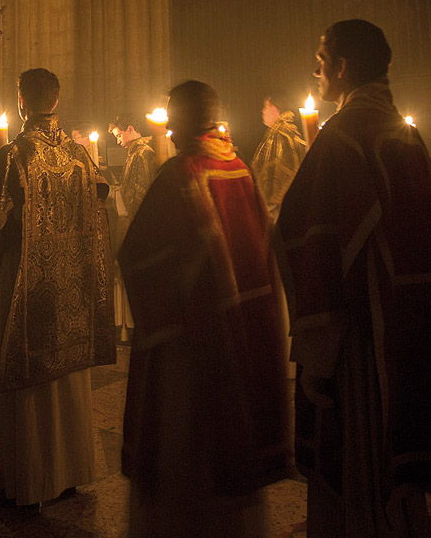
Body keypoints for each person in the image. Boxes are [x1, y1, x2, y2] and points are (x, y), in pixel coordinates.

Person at [276, 20, 431, 537]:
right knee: (395, 478)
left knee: (357, 466)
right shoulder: (401, 133)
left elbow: (314, 238)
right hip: (398, 330)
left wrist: (320, 346)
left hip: (358, 342)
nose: (315, 68)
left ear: (341, 67)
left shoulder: (344, 136)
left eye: (320, 58)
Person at [118, 80, 292, 537]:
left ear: (186, 120)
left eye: (172, 119)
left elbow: (137, 256)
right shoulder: (240, 168)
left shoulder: (181, 176)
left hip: (188, 348)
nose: (169, 129)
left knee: (186, 462)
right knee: (230, 446)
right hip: (238, 339)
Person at [0, 68, 114, 508]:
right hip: (69, 285)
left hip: (25, 281)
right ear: (56, 100)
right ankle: (69, 473)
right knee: (67, 377)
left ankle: (26, 484)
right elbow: (100, 203)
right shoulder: (81, 155)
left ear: (21, 101)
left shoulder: (13, 155)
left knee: (27, 381)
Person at [111, 112, 157, 343]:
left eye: (119, 135)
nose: (118, 140)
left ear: (130, 129)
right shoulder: (135, 153)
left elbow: (140, 192)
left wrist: (118, 195)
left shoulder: (142, 154)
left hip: (136, 222)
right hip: (129, 219)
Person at [249, 93, 308, 222]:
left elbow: (277, 180)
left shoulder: (280, 136)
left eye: (265, 107)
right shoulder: (289, 134)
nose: (262, 111)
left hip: (278, 212)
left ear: (274, 109)